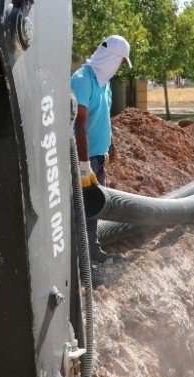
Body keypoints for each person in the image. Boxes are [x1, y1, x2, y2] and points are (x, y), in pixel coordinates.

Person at [71, 36, 132, 283]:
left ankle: (93, 250)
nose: (118, 67)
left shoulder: (104, 83)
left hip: (97, 156)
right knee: (80, 210)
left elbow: (103, 118)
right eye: (119, 62)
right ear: (110, 58)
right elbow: (79, 125)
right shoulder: (82, 81)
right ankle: (80, 269)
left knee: (94, 208)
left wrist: (110, 146)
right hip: (80, 159)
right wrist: (83, 165)